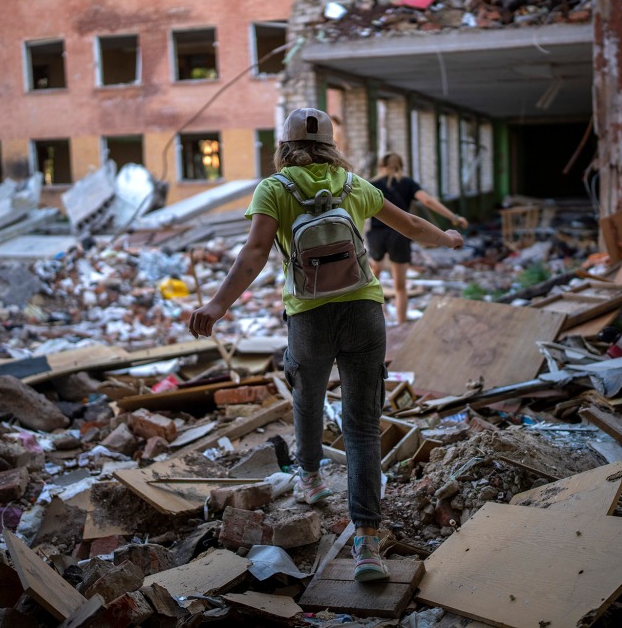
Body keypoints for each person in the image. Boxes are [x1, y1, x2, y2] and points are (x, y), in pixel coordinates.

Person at [189, 108, 463, 582]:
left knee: (307, 393)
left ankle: (311, 477)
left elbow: (254, 254)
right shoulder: (352, 184)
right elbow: (413, 227)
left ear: (285, 145)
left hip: (308, 315)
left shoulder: (274, 188)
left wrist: (217, 304)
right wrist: (449, 238)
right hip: (363, 313)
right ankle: (369, 545)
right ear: (332, 145)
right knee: (360, 428)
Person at [367, 152, 469, 323]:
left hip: (377, 235)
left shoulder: (371, 184)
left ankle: (378, 319)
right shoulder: (407, 183)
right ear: (401, 165)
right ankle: (401, 323)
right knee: (400, 287)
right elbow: (427, 201)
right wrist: (454, 217)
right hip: (400, 235)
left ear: (381, 166)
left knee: (373, 281)